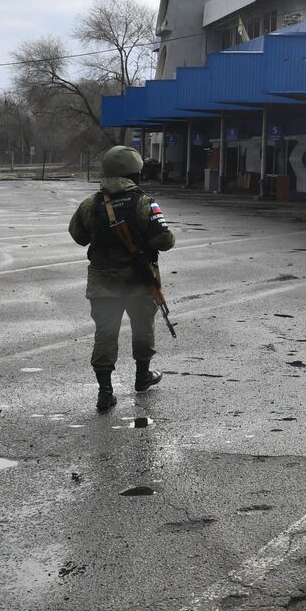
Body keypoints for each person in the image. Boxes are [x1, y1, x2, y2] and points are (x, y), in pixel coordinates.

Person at [68, 145, 176, 411]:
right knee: (142, 327)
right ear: (134, 174)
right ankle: (142, 377)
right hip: (139, 281)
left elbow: (78, 236)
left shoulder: (90, 204)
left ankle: (105, 391)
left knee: (105, 334)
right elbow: (165, 240)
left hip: (103, 282)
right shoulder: (144, 202)